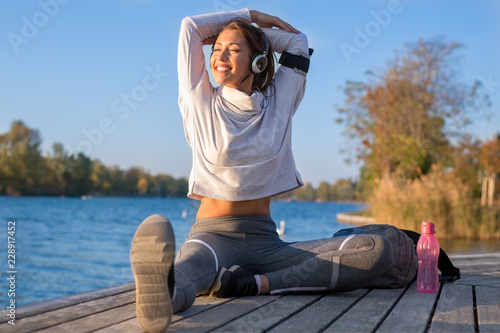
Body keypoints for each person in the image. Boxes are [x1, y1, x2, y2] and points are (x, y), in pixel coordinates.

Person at [130, 8, 416, 332]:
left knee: (374, 251)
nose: (219, 56)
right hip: (212, 236)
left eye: (234, 50)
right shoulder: (199, 100)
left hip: (267, 243)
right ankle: (159, 296)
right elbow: (191, 28)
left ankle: (253, 284)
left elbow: (297, 42)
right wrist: (250, 16)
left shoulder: (279, 101)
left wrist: (258, 34)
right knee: (186, 273)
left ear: (259, 62)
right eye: (217, 49)